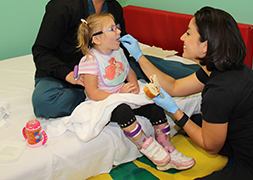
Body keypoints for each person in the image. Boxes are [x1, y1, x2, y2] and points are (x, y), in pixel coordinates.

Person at [120, 6, 253, 179]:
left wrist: (175, 110)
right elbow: (174, 86)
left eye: (188, 33)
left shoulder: (220, 91)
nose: (182, 37)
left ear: (205, 46)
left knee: (194, 127)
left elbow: (210, 147)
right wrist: (139, 56)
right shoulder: (223, 68)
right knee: (198, 121)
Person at [76, 12, 195, 171]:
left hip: (123, 95)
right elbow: (92, 92)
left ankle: (166, 147)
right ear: (97, 39)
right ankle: (147, 147)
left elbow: (128, 71)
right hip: (104, 101)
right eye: (112, 29)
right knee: (123, 111)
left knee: (155, 108)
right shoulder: (90, 60)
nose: (119, 31)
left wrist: (134, 86)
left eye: (117, 27)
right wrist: (118, 97)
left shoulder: (118, 51)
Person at [32, 0, 134, 119]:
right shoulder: (63, 7)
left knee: (149, 67)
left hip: (105, 70)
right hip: (64, 74)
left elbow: (121, 45)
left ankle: (100, 94)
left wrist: (129, 70)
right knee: (45, 102)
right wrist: (68, 75)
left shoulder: (115, 9)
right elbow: (41, 52)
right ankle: (95, 95)